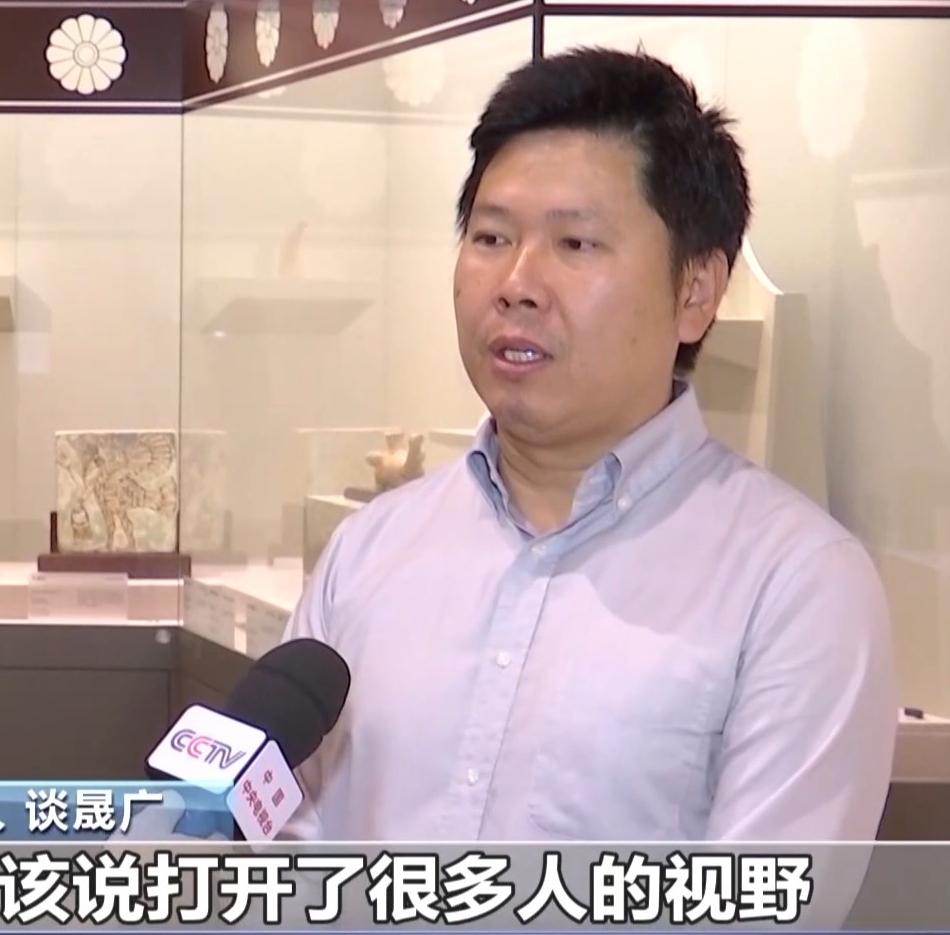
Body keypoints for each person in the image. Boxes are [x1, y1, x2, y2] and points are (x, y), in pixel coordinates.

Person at [280, 48, 897, 842]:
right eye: (491, 237)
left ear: (696, 291)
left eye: (575, 245)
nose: (516, 284)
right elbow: (286, 853)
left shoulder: (797, 587)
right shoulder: (369, 553)